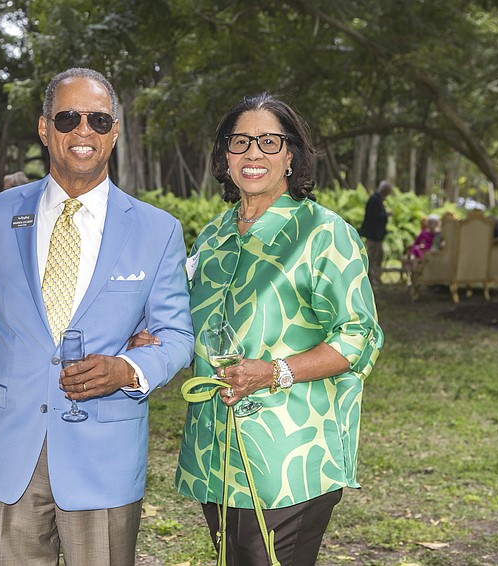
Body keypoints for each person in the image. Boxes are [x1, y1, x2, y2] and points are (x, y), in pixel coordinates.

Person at [0, 67, 194, 566]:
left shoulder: (157, 229)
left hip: (104, 455)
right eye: (68, 117)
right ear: (44, 128)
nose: (83, 130)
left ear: (114, 132)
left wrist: (127, 369)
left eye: (98, 120)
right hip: (10, 449)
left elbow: (177, 334)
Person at [172, 93, 383, 566]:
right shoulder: (213, 236)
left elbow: (357, 335)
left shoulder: (323, 232)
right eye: (240, 142)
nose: (253, 153)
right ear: (225, 156)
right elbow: (193, 322)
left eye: (269, 141)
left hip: (289, 456)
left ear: (291, 156)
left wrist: (273, 372)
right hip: (216, 451)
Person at [359, 179, 393, 285]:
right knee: (372, 256)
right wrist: (386, 215)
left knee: (379, 255)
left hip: (378, 236)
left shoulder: (378, 199)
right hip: (373, 235)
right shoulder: (374, 200)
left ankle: (376, 276)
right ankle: (369, 278)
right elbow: (374, 217)